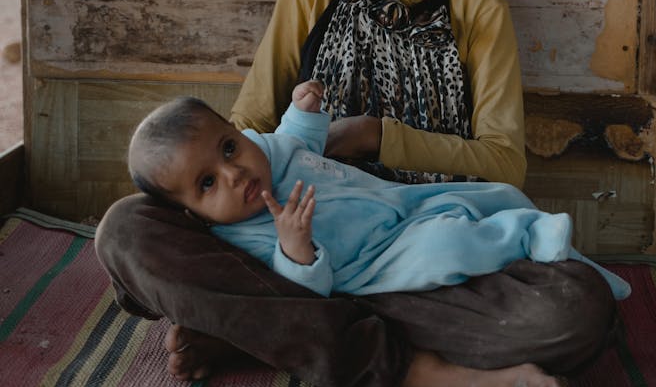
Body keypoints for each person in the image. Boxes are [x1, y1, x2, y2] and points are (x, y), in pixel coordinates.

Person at [96, 0, 622, 387]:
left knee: (576, 308)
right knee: (129, 227)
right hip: (284, 243)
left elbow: (504, 161)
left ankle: (259, 333)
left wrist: (376, 135)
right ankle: (422, 372)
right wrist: (239, 183)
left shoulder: (476, 7)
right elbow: (248, 122)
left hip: (422, 258)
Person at [128, 81, 630, 302]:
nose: (233, 173)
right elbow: (302, 294)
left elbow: (295, 142)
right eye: (208, 183)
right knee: (449, 245)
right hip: (377, 262)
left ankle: (586, 271)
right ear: (195, 214)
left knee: (499, 194)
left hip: (402, 206)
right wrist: (296, 249)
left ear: (238, 132)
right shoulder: (245, 239)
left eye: (228, 148)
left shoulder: (267, 153)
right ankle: (528, 241)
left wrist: (303, 110)